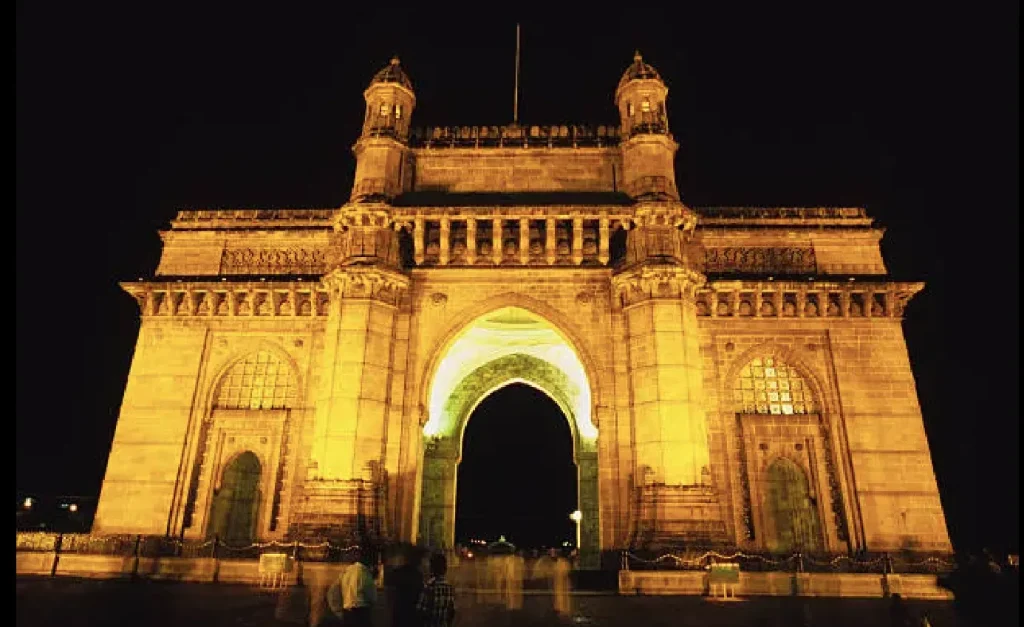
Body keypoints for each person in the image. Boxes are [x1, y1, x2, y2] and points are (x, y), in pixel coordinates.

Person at [341, 547, 378, 627]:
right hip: (360, 610)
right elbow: (370, 592)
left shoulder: (347, 571)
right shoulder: (363, 571)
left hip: (347, 610)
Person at [416, 553, 456, 627]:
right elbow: (452, 611)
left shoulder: (429, 588)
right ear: (445, 569)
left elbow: (420, 611)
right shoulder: (449, 588)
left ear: (432, 568)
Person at [388, 545, 424, 627]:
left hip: (399, 613)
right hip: (413, 615)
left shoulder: (398, 572)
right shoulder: (418, 575)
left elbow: (389, 591)